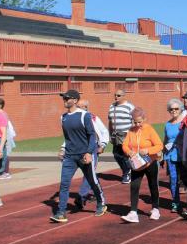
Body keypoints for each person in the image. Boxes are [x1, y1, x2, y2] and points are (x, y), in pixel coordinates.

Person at [50, 90, 107, 222]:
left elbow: (92, 135)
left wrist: (88, 152)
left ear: (75, 100)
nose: (64, 99)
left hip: (84, 155)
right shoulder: (63, 117)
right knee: (64, 184)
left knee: (92, 181)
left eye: (67, 98)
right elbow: (68, 137)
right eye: (63, 98)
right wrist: (63, 149)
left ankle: (101, 203)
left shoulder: (85, 116)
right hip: (69, 156)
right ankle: (61, 212)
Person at [120, 107, 164, 223]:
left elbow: (159, 145)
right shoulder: (131, 130)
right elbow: (124, 145)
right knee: (134, 186)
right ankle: (133, 212)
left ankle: (155, 209)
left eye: (140, 121)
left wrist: (148, 150)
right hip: (137, 164)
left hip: (150, 163)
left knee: (153, 185)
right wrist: (129, 152)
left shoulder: (149, 129)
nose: (138, 124)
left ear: (144, 119)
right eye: (135, 122)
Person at [74, 99, 109, 210]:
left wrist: (102, 145)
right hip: (77, 150)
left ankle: (81, 195)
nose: (77, 109)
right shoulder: (74, 118)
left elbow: (103, 131)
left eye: (80, 107)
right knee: (91, 174)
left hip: (92, 149)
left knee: (89, 173)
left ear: (85, 108)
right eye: (77, 106)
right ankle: (97, 194)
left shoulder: (93, 118)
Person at [108, 89, 134, 184]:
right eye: (115, 95)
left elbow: (135, 120)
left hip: (126, 134)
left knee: (125, 155)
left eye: (118, 95)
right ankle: (127, 169)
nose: (116, 97)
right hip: (115, 135)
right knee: (116, 154)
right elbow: (110, 122)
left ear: (124, 96)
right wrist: (110, 134)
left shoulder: (129, 106)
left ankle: (127, 172)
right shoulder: (112, 106)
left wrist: (133, 135)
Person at [163, 98, 185, 212]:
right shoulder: (167, 124)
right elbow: (165, 140)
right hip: (171, 155)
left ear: (181, 109)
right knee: (173, 179)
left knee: (186, 179)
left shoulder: (184, 122)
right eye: (171, 109)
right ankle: (175, 202)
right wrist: (162, 155)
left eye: (176, 109)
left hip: (184, 154)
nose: (174, 111)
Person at [0, 98, 15, 180]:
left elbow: (4, 127)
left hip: (4, 136)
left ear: (0, 105)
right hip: (1, 136)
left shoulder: (2, 113)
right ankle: (4, 171)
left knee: (4, 154)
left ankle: (4, 172)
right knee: (3, 154)